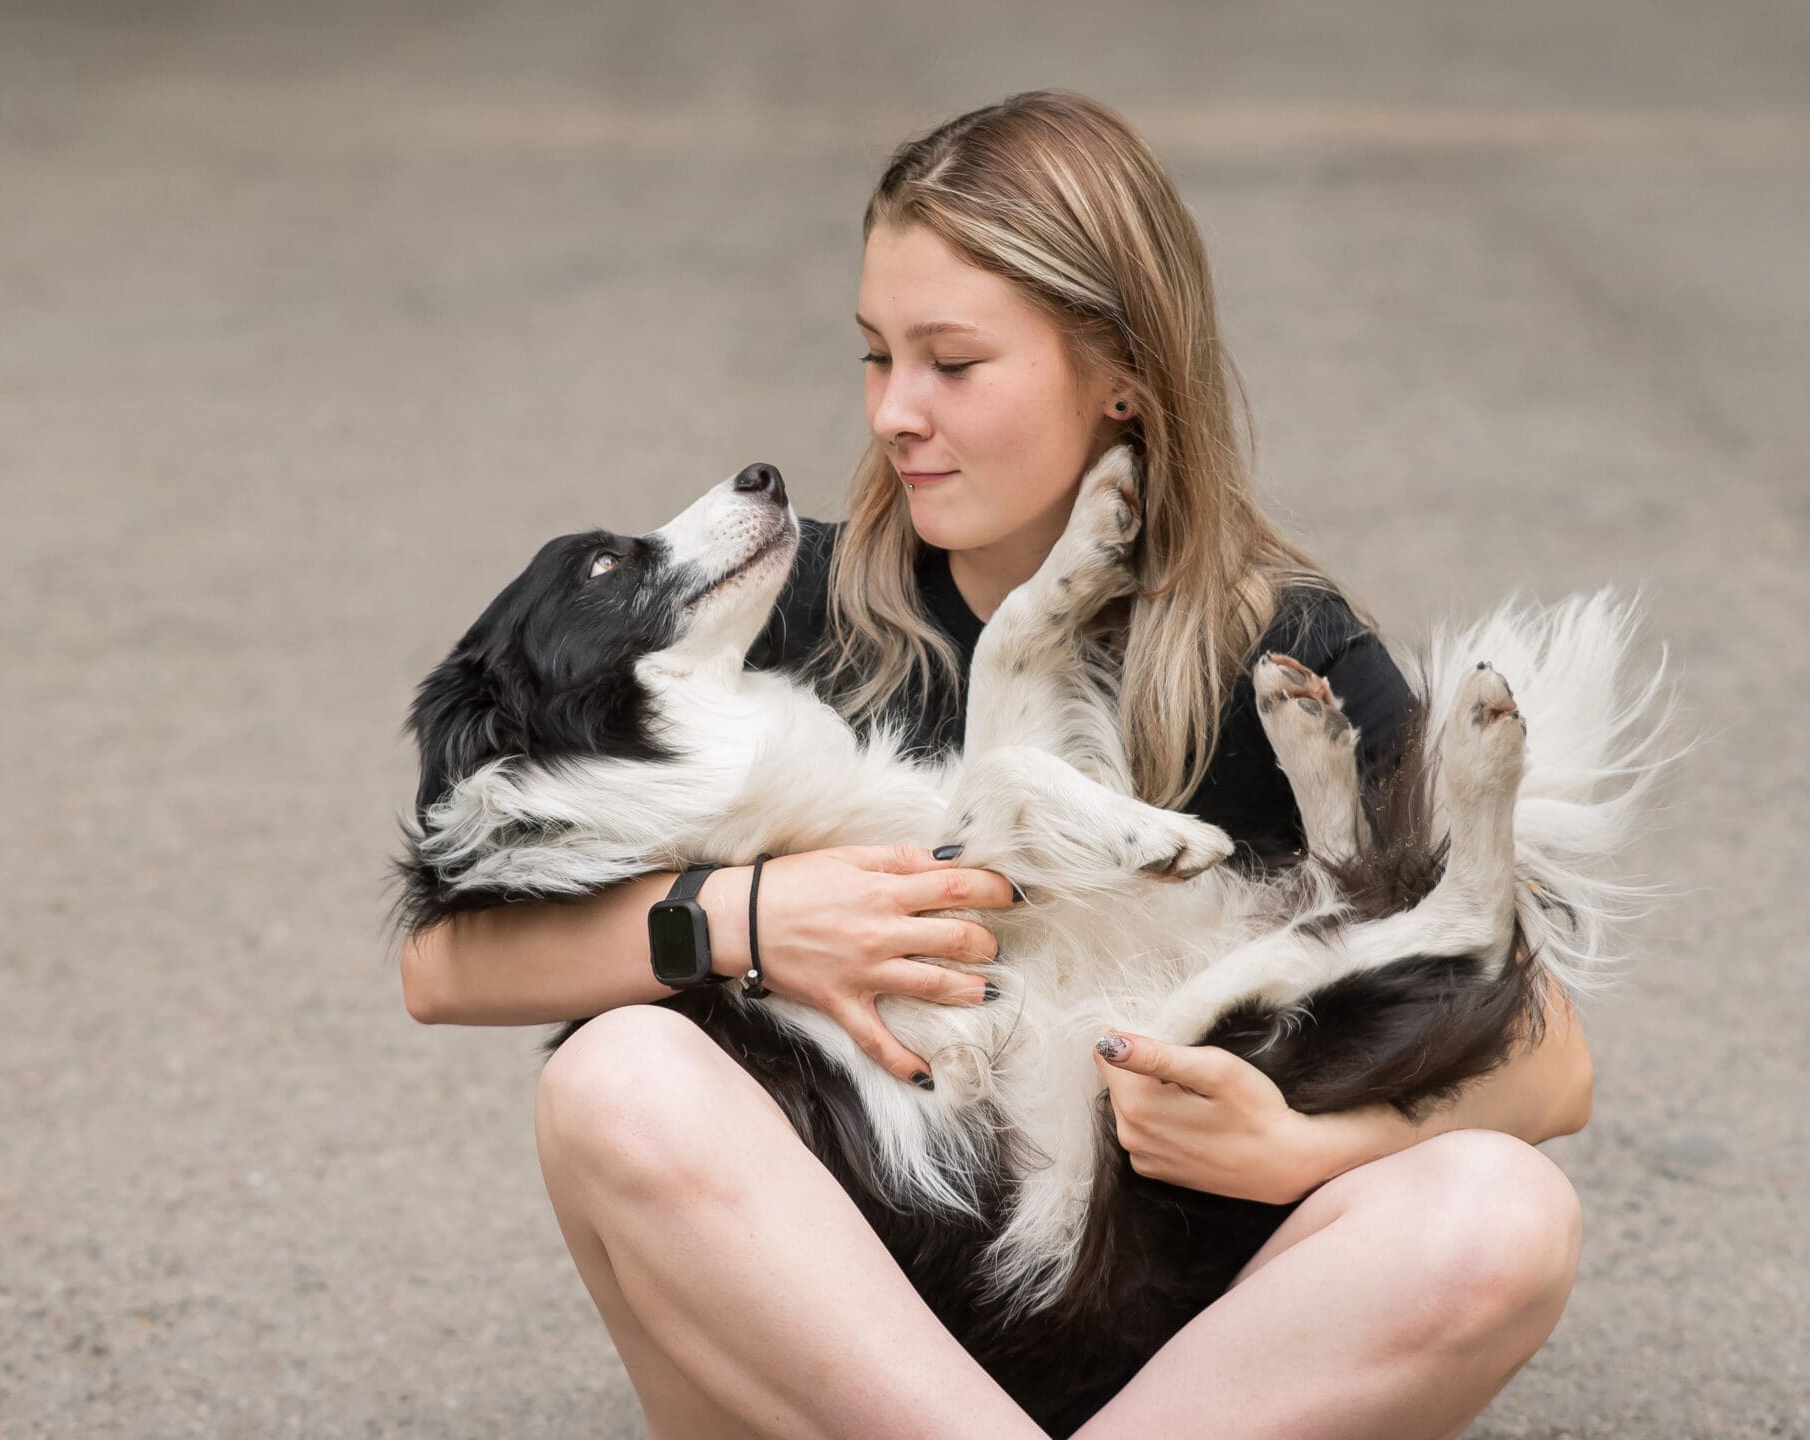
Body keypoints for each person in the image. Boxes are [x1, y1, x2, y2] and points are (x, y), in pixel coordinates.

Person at [398, 91, 1594, 1440]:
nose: (896, 413)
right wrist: (738, 919)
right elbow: (440, 970)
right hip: (845, 1318)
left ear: (1122, 376)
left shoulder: (1277, 650)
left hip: (1153, 1323)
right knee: (610, 1080)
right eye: (874, 356)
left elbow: (1556, 1072)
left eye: (952, 365)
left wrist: (1310, 1149)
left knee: (1504, 1214)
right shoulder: (788, 611)